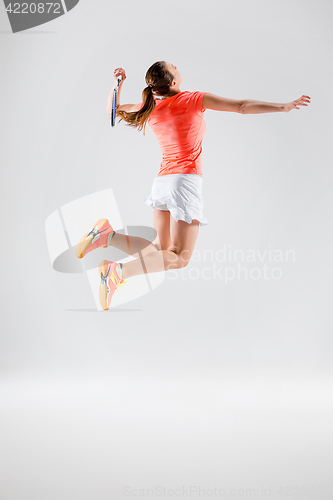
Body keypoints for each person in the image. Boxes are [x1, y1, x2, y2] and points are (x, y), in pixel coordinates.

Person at [75, 60, 311, 310]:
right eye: (173, 66)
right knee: (179, 257)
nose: (177, 65)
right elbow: (241, 107)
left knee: (160, 249)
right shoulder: (193, 99)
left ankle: (107, 236)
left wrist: (117, 83)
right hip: (184, 181)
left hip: (162, 182)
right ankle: (117, 272)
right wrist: (283, 107)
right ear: (173, 82)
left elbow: (114, 110)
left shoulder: (149, 105)